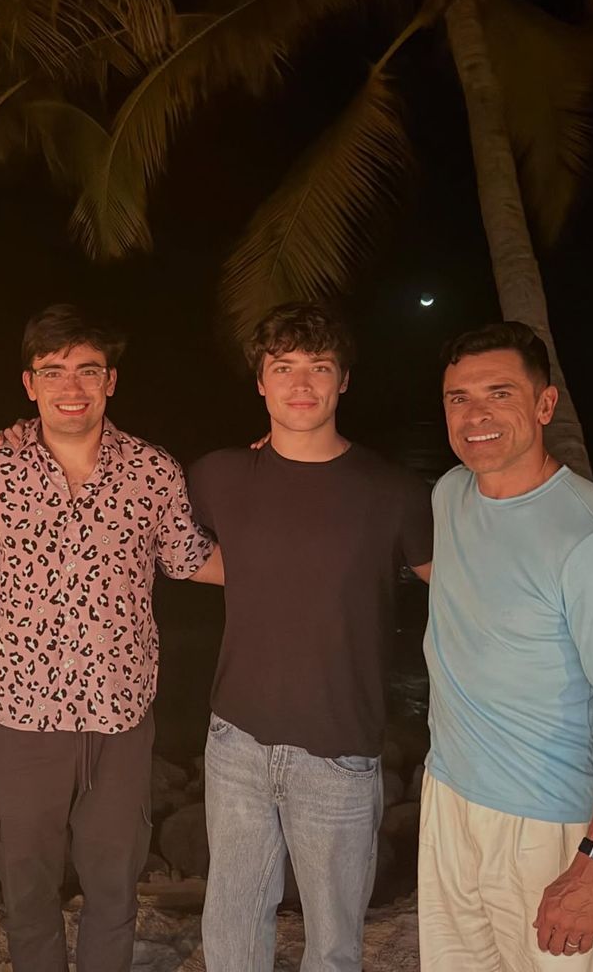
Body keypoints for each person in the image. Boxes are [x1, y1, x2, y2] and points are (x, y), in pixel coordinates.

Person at [0, 304, 222, 972]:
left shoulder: (152, 471)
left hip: (121, 721)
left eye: (88, 370)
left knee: (115, 888)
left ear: (111, 381)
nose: (72, 387)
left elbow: (189, 559)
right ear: (29, 384)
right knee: (27, 891)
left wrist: (298, 552)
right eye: (54, 371)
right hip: (25, 719)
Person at [187, 302, 433, 972]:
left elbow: (461, 591)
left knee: (332, 944)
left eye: (318, 367)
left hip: (339, 751)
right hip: (234, 739)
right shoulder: (219, 474)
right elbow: (166, 542)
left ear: (343, 380)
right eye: (283, 367)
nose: (301, 383)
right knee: (232, 928)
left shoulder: (393, 491)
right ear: (259, 382)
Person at [420, 321, 593, 971]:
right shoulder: (448, 495)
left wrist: (592, 867)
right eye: (457, 398)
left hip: (547, 823)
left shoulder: (583, 536)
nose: (476, 415)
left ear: (543, 405)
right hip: (448, 798)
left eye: (499, 393)